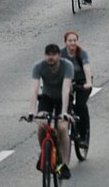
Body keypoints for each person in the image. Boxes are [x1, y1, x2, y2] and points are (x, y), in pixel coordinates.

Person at [27, 44, 75, 179]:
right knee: (41, 125)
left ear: (59, 56)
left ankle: (65, 165)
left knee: (62, 127)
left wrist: (64, 112)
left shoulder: (67, 66)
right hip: (47, 97)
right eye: (48, 54)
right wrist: (32, 111)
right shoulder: (39, 66)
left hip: (63, 99)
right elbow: (34, 89)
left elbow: (66, 90)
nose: (50, 57)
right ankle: (44, 153)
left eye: (53, 55)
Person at [61, 31, 93, 145]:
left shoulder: (81, 53)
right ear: (65, 42)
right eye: (70, 41)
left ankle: (84, 135)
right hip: (66, 82)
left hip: (82, 82)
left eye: (75, 40)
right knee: (65, 105)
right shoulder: (61, 54)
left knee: (80, 106)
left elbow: (86, 68)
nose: (72, 43)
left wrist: (88, 82)